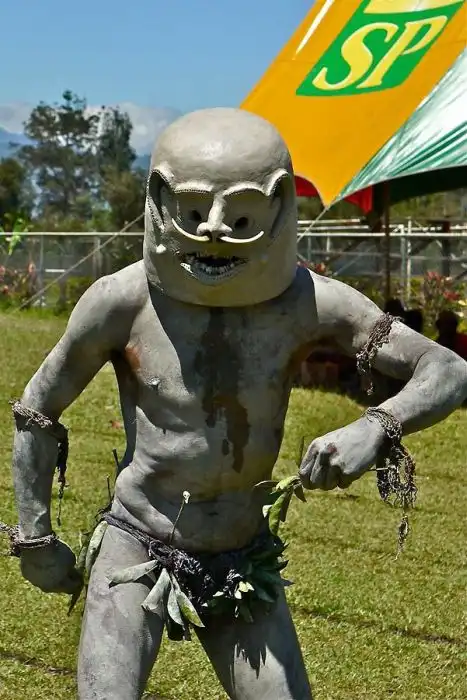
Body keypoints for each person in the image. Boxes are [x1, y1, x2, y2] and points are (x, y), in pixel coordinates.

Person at [7, 109, 467, 700]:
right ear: (161, 200)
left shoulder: (310, 302)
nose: (215, 232)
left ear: (278, 205)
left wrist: (375, 427)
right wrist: (35, 538)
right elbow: (39, 408)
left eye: (242, 216)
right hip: (136, 538)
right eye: (194, 212)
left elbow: (447, 369)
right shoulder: (121, 302)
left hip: (240, 555)